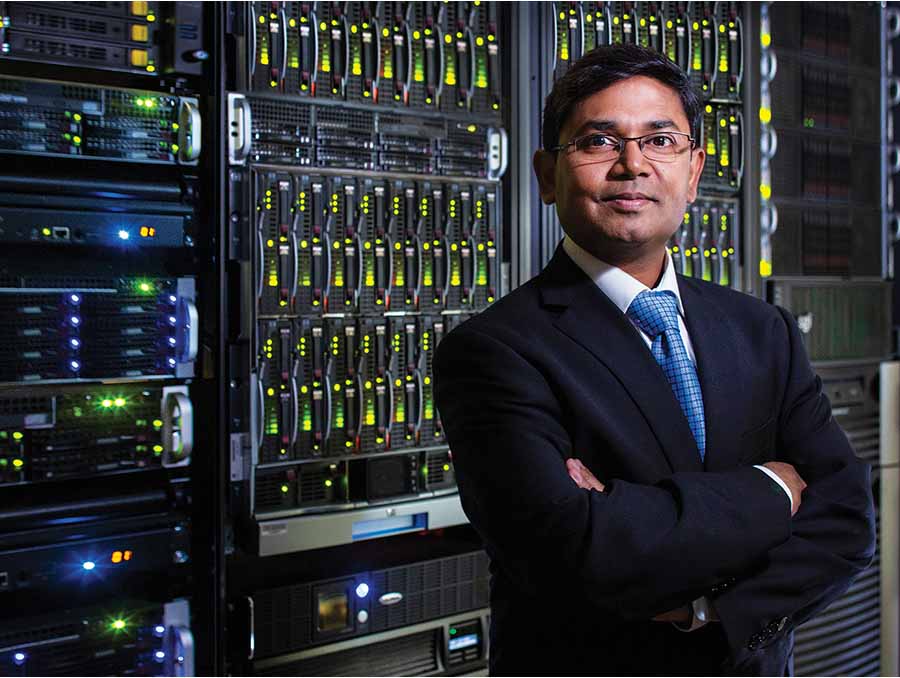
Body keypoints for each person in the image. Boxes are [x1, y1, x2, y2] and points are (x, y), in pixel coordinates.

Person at [432, 44, 875, 676]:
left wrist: (710, 608)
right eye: (599, 142)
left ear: (694, 172)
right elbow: (578, 548)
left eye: (660, 140)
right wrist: (774, 487)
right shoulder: (494, 351)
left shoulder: (760, 329)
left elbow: (848, 519)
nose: (632, 164)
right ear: (547, 177)